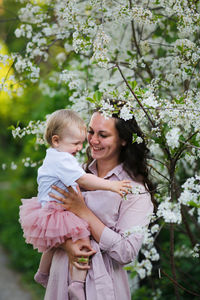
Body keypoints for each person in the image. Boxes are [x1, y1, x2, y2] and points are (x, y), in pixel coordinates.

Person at [36, 100, 154, 300]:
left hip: (101, 286)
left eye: (103, 135)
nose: (93, 140)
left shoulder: (133, 190)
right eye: (91, 132)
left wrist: (82, 211)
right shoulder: (73, 172)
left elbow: (126, 252)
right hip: (61, 276)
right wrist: (67, 246)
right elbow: (45, 221)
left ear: (123, 140)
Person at [19, 109, 132, 299]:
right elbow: (85, 180)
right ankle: (77, 285)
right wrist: (112, 186)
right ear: (56, 140)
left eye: (81, 142)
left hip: (48, 208)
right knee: (82, 237)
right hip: (58, 210)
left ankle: (42, 272)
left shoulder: (53, 156)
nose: (81, 147)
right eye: (76, 143)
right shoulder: (63, 160)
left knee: (52, 242)